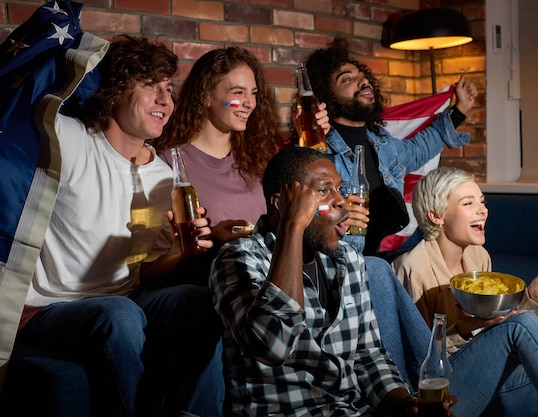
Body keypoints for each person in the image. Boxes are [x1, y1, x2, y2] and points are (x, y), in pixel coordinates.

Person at [15, 35, 221, 417]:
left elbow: (147, 269)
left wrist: (179, 250)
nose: (165, 100)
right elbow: (20, 97)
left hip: (128, 298)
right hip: (52, 306)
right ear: (113, 92)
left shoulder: (163, 175)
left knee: (201, 301)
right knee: (119, 315)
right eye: (150, 85)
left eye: (168, 88)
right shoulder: (70, 140)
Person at [208, 147, 456, 417]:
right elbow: (273, 346)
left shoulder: (346, 258)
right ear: (283, 204)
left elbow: (368, 356)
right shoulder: (239, 259)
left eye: (339, 189)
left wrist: (407, 405)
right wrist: (293, 226)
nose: (341, 201)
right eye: (324, 191)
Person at [392, 166, 538, 417]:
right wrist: (466, 326)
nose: (483, 210)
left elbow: (499, 333)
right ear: (436, 216)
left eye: (482, 201)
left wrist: (532, 295)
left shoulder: (479, 257)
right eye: (469, 203)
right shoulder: (411, 268)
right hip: (447, 395)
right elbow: (415, 362)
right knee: (521, 323)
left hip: (492, 384)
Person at [304, 36, 478, 255]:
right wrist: (334, 212)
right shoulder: (317, 151)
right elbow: (301, 210)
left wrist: (460, 109)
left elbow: (419, 149)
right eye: (347, 79)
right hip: (336, 261)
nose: (363, 81)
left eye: (362, 76)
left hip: (375, 258)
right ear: (327, 98)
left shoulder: (382, 143)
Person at [153, 46, 329, 252]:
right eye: (238, 92)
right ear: (205, 96)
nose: (250, 103)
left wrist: (304, 139)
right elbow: (165, 254)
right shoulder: (171, 163)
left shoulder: (259, 155)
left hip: (268, 271)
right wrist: (213, 238)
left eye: (253, 93)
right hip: (212, 277)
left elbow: (302, 206)